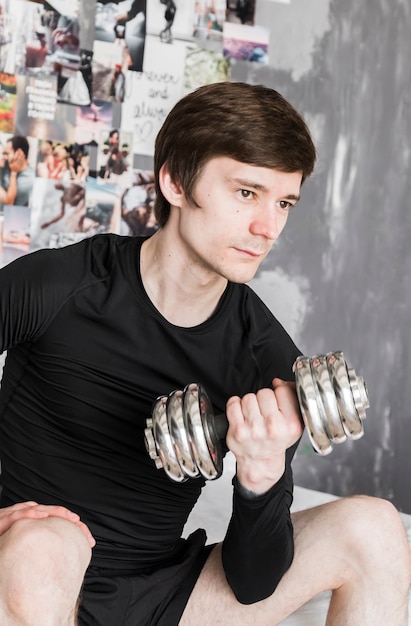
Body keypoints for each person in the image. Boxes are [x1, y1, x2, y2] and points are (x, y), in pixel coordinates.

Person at [0, 82, 410, 626]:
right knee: (44, 548)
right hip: (33, 563)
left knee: (375, 528)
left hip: (156, 594)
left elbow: (253, 584)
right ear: (173, 180)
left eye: (283, 202)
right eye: (246, 193)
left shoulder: (264, 358)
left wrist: (260, 476)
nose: (268, 228)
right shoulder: (60, 285)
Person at [0, 136, 34, 207]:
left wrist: (14, 172)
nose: (5, 157)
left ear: (18, 153)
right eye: (4, 154)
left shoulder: (29, 180)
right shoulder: (5, 166)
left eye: (7, 153)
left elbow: (9, 204)